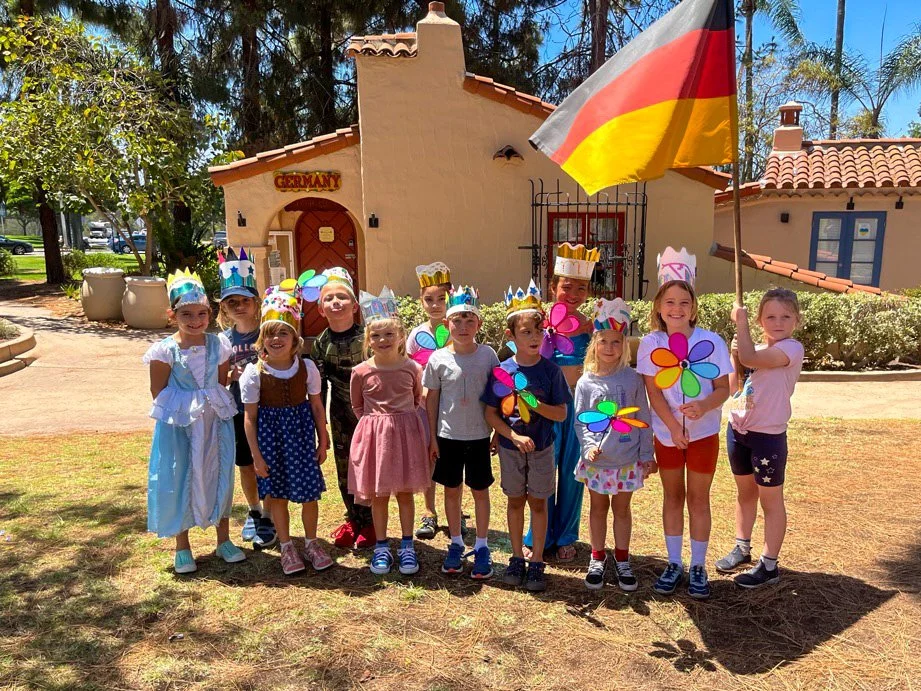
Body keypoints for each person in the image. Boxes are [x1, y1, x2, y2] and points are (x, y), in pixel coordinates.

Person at [636, 248, 732, 600]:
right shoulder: (651, 343)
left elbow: (723, 388)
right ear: (659, 307)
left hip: (703, 434)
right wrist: (674, 429)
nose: (676, 309)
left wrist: (704, 405)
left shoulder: (711, 341)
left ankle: (698, 565)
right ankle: (674, 562)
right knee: (673, 496)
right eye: (670, 302)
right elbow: (653, 392)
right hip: (667, 435)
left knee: (699, 498)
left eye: (684, 302)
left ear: (693, 307)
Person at [144, 270, 244, 574]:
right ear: (172, 315)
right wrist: (186, 407)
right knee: (181, 476)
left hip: (215, 422)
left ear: (209, 314)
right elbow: (158, 390)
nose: (195, 320)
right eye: (186, 314)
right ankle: (182, 546)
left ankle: (223, 539)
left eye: (201, 313)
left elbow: (220, 381)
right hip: (181, 424)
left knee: (220, 472)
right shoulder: (165, 351)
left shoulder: (219, 345)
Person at [482, 281, 570, 592]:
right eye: (526, 332)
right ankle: (517, 557)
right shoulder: (502, 371)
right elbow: (491, 413)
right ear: (511, 336)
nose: (534, 337)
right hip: (511, 449)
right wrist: (511, 436)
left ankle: (537, 562)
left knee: (539, 503)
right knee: (515, 501)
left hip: (543, 449)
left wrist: (536, 405)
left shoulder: (551, 372)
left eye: (538, 331)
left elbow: (561, 414)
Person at [241, 282, 334, 575]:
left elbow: (317, 406)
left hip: (301, 438)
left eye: (283, 332)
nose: (276, 339)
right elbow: (250, 417)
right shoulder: (254, 373)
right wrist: (256, 456)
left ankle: (311, 542)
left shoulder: (307, 368)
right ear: (262, 339)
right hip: (272, 441)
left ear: (295, 339)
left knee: (309, 495)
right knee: (278, 495)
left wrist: (323, 439)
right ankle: (286, 546)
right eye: (270, 333)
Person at [716, 288, 803, 588]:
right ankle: (742, 547)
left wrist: (739, 323)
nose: (778, 322)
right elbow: (734, 389)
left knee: (771, 500)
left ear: (796, 320)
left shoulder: (791, 349)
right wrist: (734, 356)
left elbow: (752, 356)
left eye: (785, 317)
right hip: (739, 431)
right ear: (760, 320)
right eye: (770, 316)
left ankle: (769, 564)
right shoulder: (752, 349)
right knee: (745, 494)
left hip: (768, 437)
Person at [574, 299, 656, 591]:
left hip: (626, 460)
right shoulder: (585, 382)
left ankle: (622, 559)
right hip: (598, 461)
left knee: (622, 510)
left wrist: (647, 454)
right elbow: (581, 421)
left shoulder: (633, 379)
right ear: (594, 344)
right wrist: (588, 447)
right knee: (598, 509)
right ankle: (597, 557)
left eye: (616, 342)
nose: (609, 347)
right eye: (604, 341)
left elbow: (643, 418)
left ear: (624, 345)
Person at [349, 288, 432, 575]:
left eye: (389, 334)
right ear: (368, 340)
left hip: (406, 435)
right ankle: (382, 546)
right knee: (379, 494)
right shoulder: (361, 371)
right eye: (376, 335)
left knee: (405, 493)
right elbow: (357, 405)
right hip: (375, 438)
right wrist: (376, 425)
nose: (382, 340)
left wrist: (400, 421)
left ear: (400, 336)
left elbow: (417, 398)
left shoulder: (412, 368)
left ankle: (407, 546)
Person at [525, 243, 598, 563]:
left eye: (581, 288)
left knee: (572, 470)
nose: (573, 294)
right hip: (545, 407)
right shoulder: (539, 322)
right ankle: (538, 535)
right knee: (543, 470)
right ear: (553, 287)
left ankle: (566, 534)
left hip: (578, 406)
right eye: (567, 286)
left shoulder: (591, 326)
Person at [423, 286, 499, 579]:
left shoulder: (488, 356)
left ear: (479, 323)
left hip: (479, 437)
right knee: (451, 490)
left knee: (480, 491)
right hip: (448, 438)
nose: (463, 326)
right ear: (447, 324)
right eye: (457, 320)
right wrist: (432, 437)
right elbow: (432, 400)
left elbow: (499, 395)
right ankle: (455, 542)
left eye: (469, 320)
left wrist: (497, 431)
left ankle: (481, 545)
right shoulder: (438, 359)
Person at [310, 268, 376, 550]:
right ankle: (353, 518)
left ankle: (371, 521)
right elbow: (318, 390)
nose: (336, 302)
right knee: (345, 468)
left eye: (342, 297)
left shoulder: (368, 337)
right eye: (329, 298)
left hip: (371, 414)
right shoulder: (320, 344)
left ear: (355, 305)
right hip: (339, 415)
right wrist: (322, 429)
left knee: (370, 467)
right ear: (320, 308)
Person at [216, 247, 276, 549]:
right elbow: (216, 380)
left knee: (268, 462)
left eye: (244, 300)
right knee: (246, 463)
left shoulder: (268, 333)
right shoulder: (223, 341)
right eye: (232, 302)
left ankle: (269, 514)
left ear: (256, 303)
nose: (239, 306)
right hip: (238, 410)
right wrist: (231, 375)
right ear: (224, 308)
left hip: (269, 410)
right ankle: (253, 510)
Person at [407, 262, 453, 540]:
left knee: (452, 457)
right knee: (429, 457)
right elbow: (411, 369)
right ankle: (428, 510)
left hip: (454, 407)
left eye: (441, 298)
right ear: (421, 301)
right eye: (429, 299)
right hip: (425, 407)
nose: (435, 305)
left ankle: (454, 510)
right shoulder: (416, 335)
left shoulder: (458, 329)